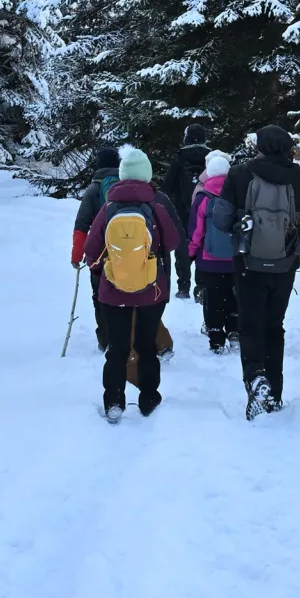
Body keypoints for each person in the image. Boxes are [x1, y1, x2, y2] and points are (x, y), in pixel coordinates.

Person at [206, 124, 300, 418]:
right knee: (274, 326)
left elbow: (220, 219)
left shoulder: (240, 173)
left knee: (250, 324)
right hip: (284, 265)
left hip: (248, 262)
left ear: (260, 145)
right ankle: (275, 392)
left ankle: (256, 379)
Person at [82, 146, 183, 421]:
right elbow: (173, 242)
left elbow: (91, 250)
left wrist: (108, 266)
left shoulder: (108, 208)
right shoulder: (156, 206)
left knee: (117, 348)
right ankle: (149, 398)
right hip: (152, 289)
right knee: (147, 345)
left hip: (113, 291)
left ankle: (114, 401)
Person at [187, 150, 238, 351]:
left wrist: (190, 253)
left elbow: (196, 231)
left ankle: (216, 337)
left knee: (213, 298)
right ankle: (234, 331)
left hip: (208, 259)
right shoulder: (238, 195)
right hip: (235, 258)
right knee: (234, 295)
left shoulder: (203, 197)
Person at [71, 143, 119, 351]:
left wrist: (76, 254)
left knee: (100, 295)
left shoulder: (93, 189)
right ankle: (127, 334)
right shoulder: (126, 186)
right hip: (127, 250)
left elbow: (82, 224)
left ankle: (106, 339)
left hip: (100, 254)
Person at [162, 122, 209, 299]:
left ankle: (183, 286)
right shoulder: (210, 158)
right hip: (206, 212)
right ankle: (202, 285)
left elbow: (168, 187)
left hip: (181, 213)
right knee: (204, 246)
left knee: (183, 247)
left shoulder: (179, 158)